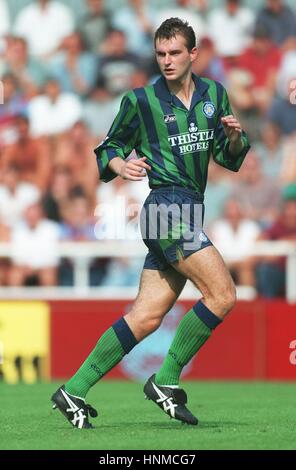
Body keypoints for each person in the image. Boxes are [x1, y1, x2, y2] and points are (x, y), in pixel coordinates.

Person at [51, 17, 250, 429]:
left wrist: (233, 139)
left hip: (188, 209)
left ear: (193, 54)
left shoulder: (215, 94)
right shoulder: (141, 100)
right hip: (165, 208)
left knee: (145, 317)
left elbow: (228, 158)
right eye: (160, 54)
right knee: (223, 294)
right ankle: (166, 380)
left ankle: (73, 389)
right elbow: (107, 147)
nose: (167, 61)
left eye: (175, 52)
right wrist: (120, 163)